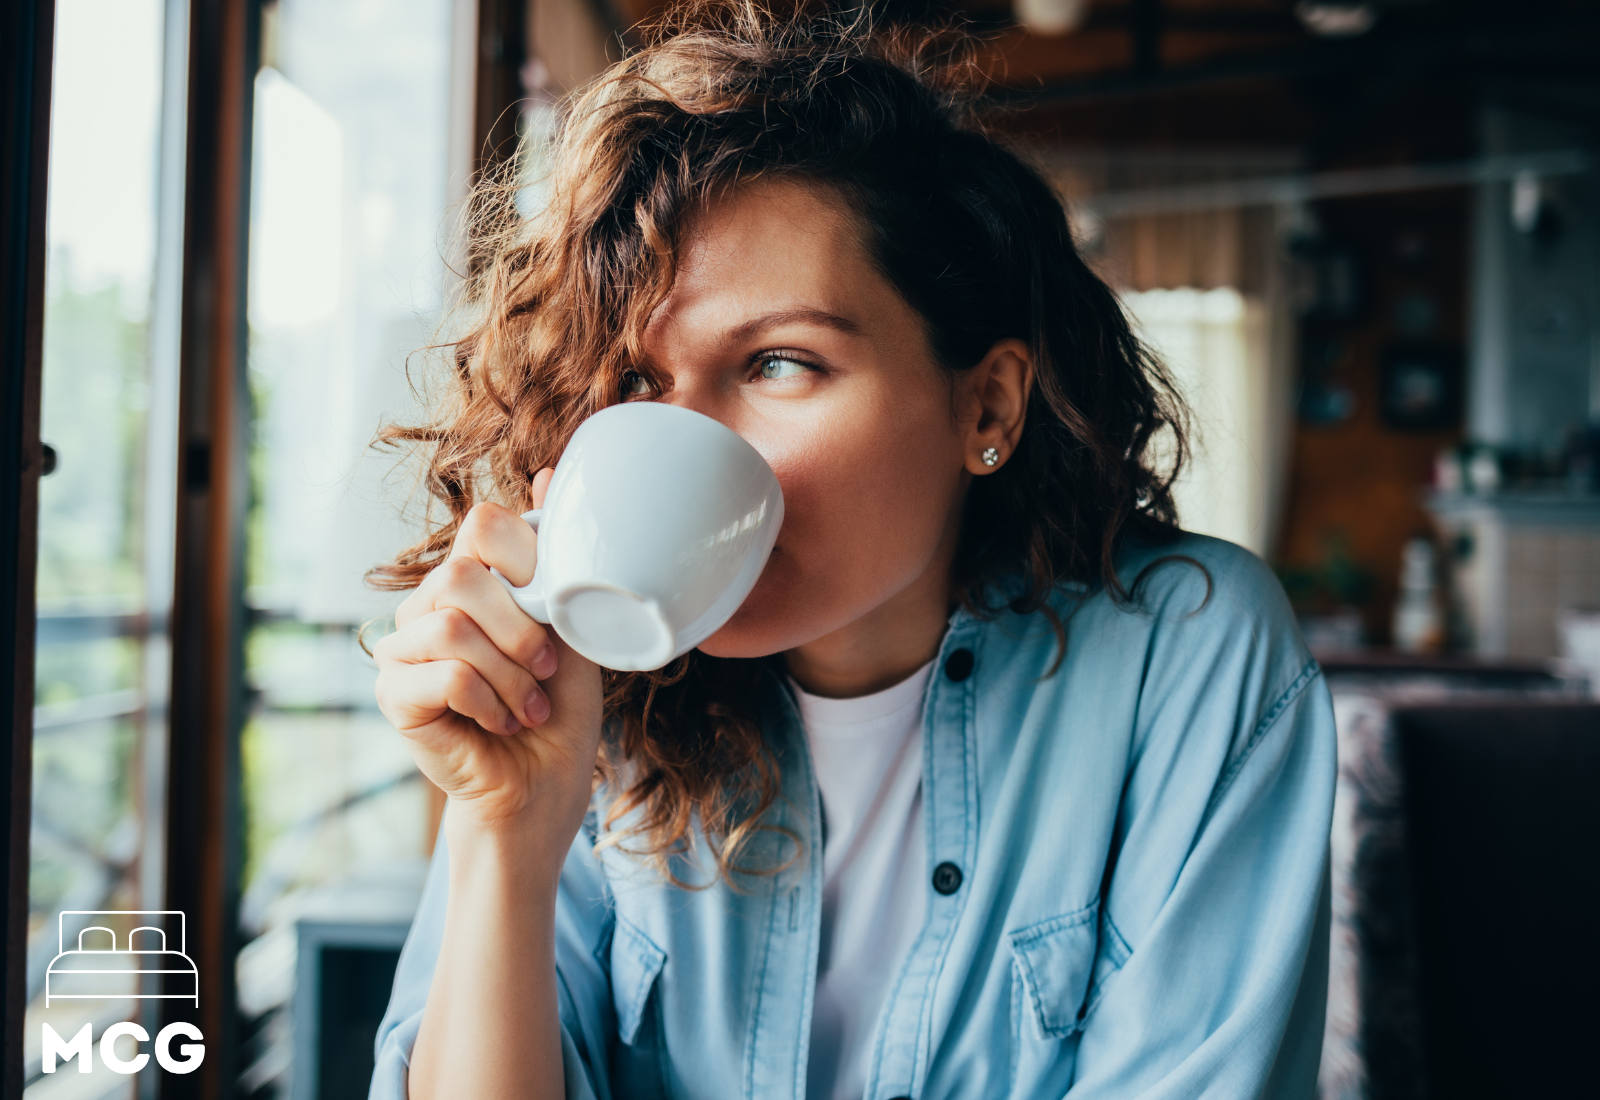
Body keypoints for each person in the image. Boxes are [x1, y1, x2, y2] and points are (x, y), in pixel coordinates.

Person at [364, 1, 1337, 1097]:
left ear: (988, 406)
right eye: (637, 382)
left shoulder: (1184, 653)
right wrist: (506, 834)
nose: (681, 438)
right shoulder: (584, 698)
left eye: (780, 362)